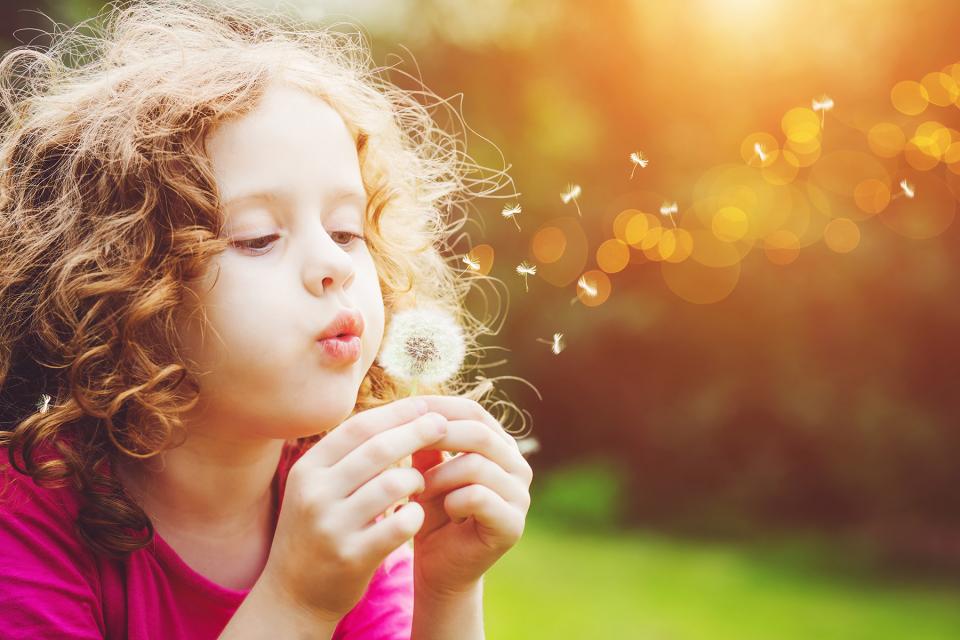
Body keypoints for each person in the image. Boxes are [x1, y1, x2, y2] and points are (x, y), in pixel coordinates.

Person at [0, 1, 533, 638]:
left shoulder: (349, 504)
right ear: (122, 291)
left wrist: (446, 586)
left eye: (346, 229)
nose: (332, 264)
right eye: (257, 238)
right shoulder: (24, 518)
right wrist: (297, 601)